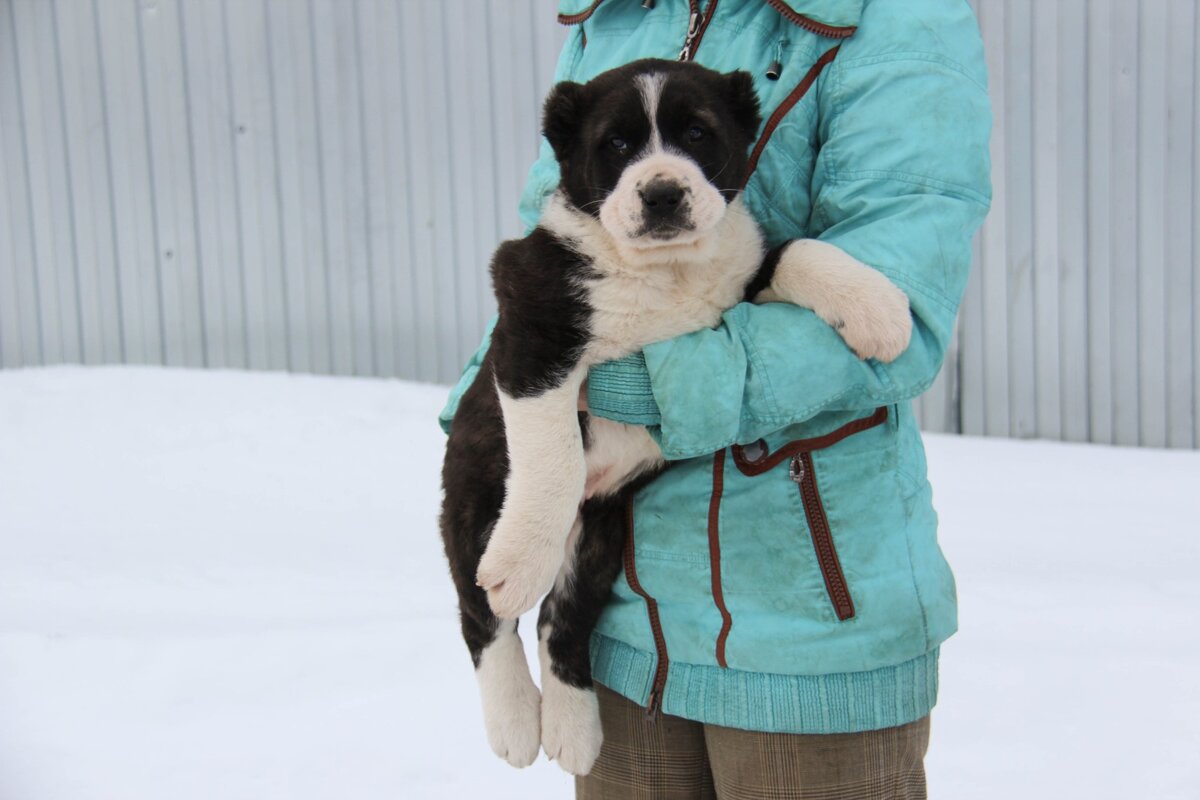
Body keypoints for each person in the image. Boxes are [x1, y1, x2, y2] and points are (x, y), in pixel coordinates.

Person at [439, 1, 992, 797]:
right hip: (627, 631)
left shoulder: (901, 20)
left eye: (694, 137)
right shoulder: (613, 16)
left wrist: (626, 391)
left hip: (804, 624)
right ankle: (515, 650)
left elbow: (897, 312)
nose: (659, 176)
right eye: (622, 146)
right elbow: (538, 254)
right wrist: (494, 423)